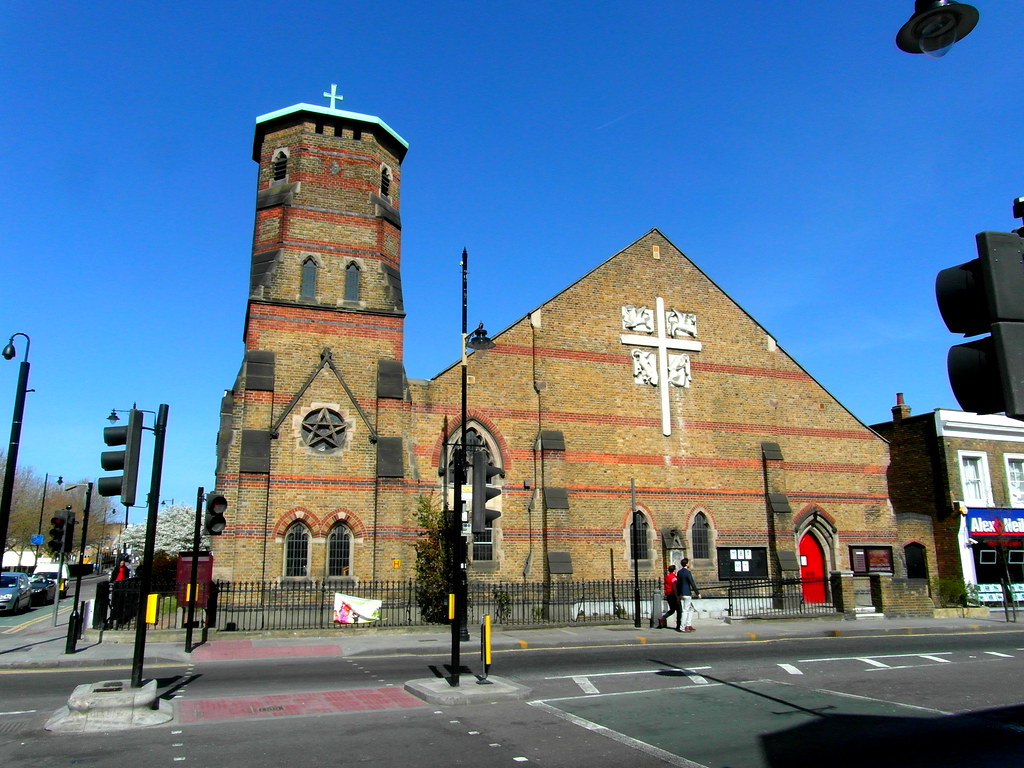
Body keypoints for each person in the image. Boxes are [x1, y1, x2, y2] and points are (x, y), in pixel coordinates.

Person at [674, 557, 701, 632]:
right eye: (688, 562)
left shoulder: (679, 572)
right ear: (686, 564)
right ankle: (682, 627)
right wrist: (697, 593)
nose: (689, 564)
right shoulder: (687, 572)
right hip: (687, 594)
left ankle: (688, 625)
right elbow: (692, 583)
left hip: (682, 594)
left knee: (691, 608)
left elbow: (678, 584)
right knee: (685, 610)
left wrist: (679, 594)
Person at [658, 564, 680, 629]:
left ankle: (663, 618)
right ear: (674, 570)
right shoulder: (674, 578)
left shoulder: (667, 577)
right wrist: (677, 596)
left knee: (672, 609)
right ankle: (678, 625)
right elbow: (674, 587)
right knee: (679, 610)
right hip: (673, 595)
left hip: (668, 595)